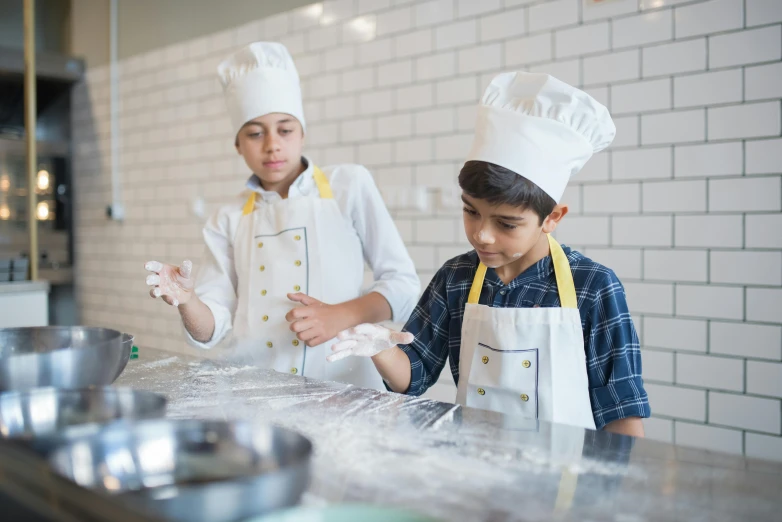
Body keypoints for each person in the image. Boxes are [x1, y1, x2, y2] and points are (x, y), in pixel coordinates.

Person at [328, 72, 650, 436]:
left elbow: (621, 414)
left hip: (565, 479)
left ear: (552, 218)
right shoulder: (457, 277)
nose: (482, 234)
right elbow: (412, 377)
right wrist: (381, 348)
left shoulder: (592, 286)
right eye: (470, 211)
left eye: (507, 224)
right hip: (475, 470)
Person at [144, 42, 420, 390]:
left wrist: (341, 315)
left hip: (341, 386)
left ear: (302, 133)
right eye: (255, 133)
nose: (272, 144)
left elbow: (403, 284)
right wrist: (187, 301)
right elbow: (211, 327)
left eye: (285, 130)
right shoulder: (227, 217)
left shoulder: (349, 185)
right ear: (237, 145)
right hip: (252, 388)